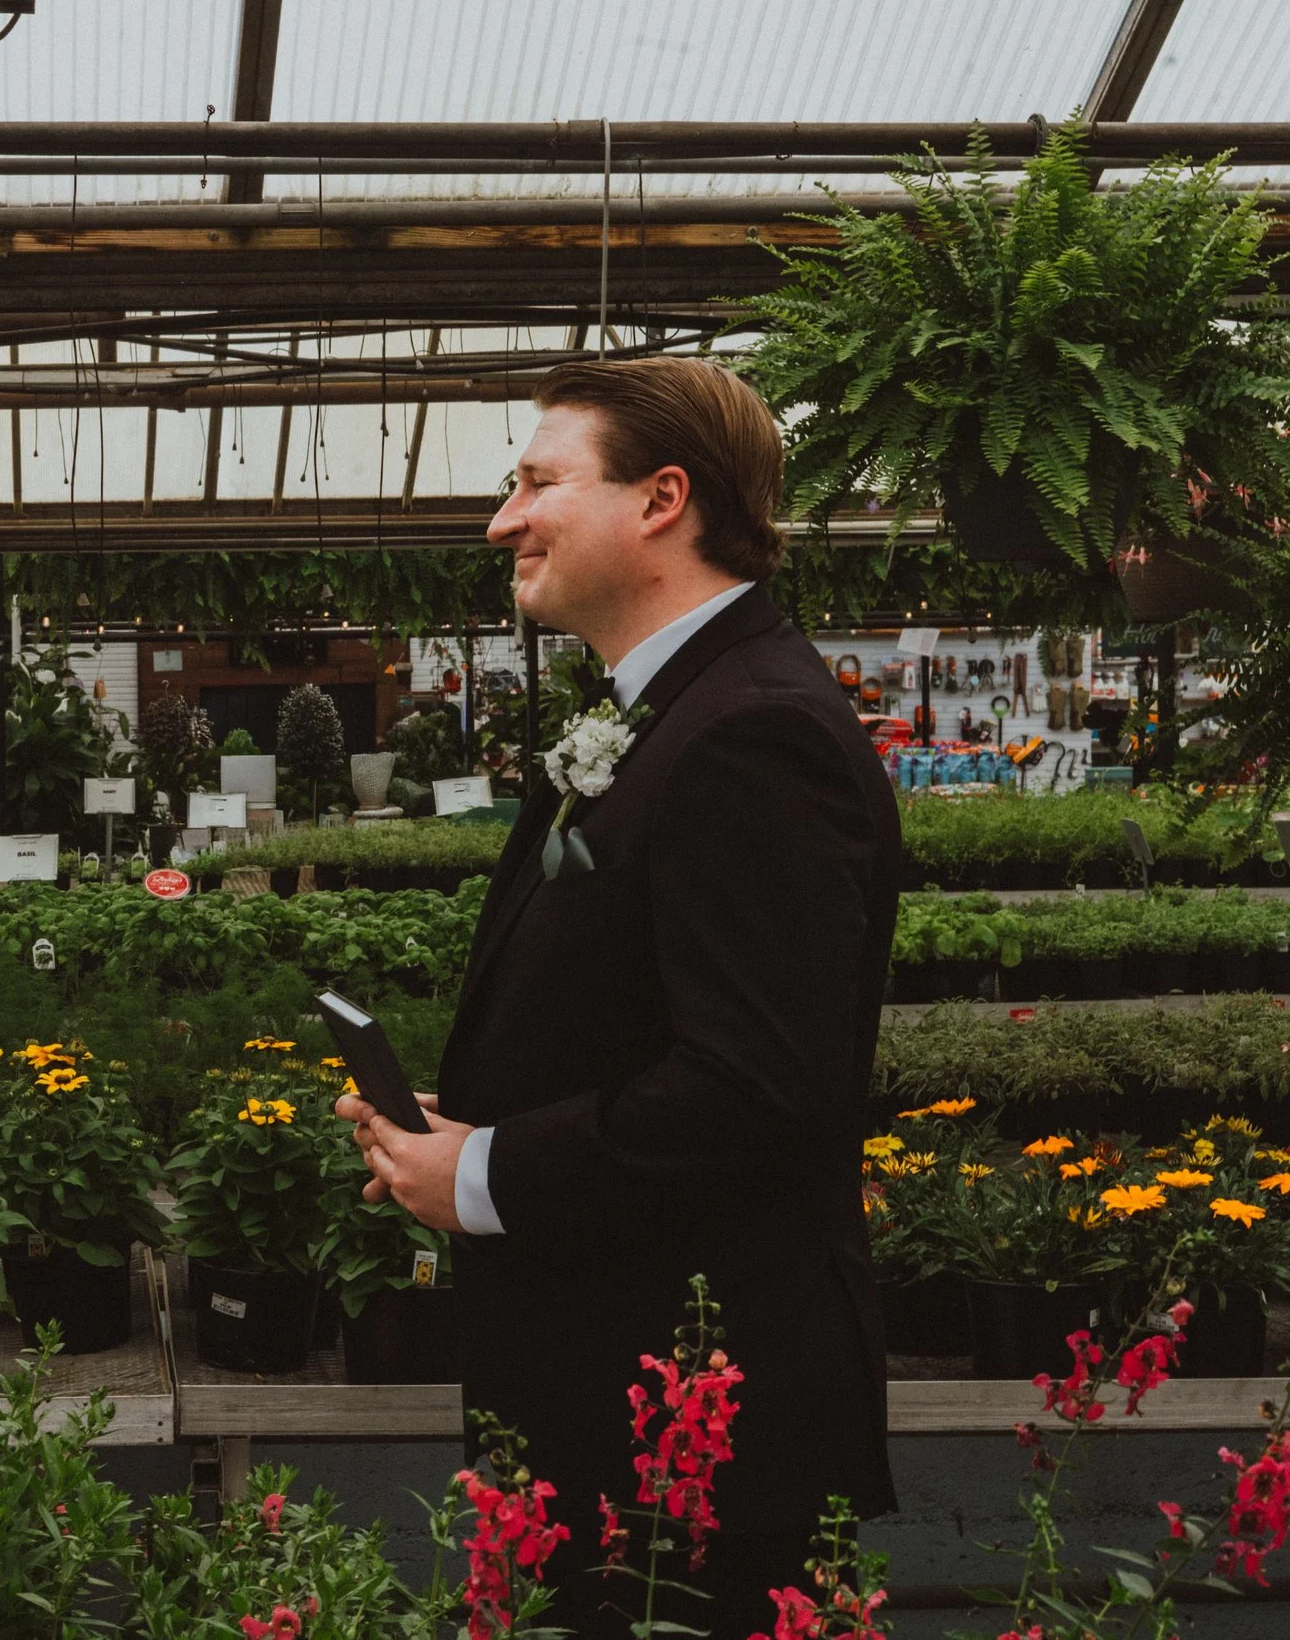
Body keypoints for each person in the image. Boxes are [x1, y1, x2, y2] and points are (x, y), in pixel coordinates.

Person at [336, 358, 898, 1636]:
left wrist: (486, 1172)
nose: (501, 519)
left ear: (661, 498)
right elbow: (652, 1015)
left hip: (697, 1433)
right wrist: (467, 1122)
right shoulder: (669, 713)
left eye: (536, 482)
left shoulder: (755, 731)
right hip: (616, 1406)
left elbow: (752, 1085)